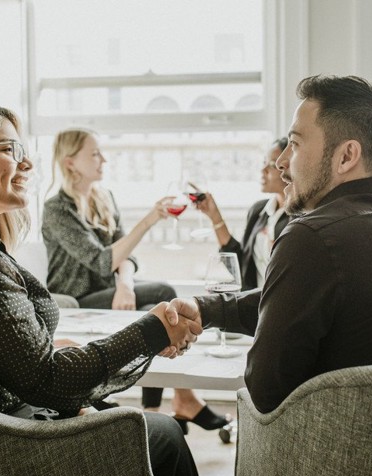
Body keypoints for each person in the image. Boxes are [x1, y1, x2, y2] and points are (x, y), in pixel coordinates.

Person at [0, 101, 201, 476]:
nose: (29, 164)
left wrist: (46, 346)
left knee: (120, 414)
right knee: (164, 433)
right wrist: (151, 331)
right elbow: (51, 382)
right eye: (9, 149)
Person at [165, 75, 372, 414]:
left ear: (346, 156)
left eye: (294, 145)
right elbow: (299, 299)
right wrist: (208, 309)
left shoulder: (310, 237)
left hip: (347, 457)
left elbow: (265, 391)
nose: (281, 162)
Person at [41, 128, 231, 433]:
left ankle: (165, 403)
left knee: (164, 295)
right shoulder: (56, 210)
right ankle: (172, 402)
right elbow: (102, 260)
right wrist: (151, 218)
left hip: (110, 288)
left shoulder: (104, 198)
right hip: (76, 295)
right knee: (161, 300)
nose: (103, 159)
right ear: (70, 163)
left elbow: (125, 257)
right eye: (94, 154)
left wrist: (125, 284)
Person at [194, 137, 290, 290]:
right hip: (253, 304)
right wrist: (214, 216)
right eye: (263, 162)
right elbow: (241, 266)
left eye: (271, 165)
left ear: (290, 168)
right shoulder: (259, 211)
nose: (262, 170)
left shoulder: (301, 217)